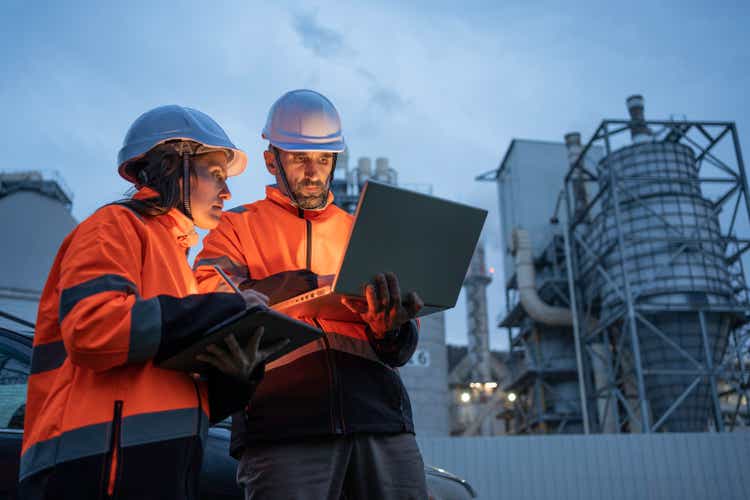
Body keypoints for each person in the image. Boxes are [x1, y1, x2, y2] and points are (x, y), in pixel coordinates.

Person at [19, 105, 284, 500]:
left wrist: (236, 375)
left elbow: (175, 387)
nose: (227, 193)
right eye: (215, 175)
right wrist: (219, 309)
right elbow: (92, 328)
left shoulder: (176, 260)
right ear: (175, 166)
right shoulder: (113, 227)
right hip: (91, 470)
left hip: (156, 471)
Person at [194, 89, 429, 499]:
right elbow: (207, 302)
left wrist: (390, 328)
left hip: (380, 422)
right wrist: (275, 288)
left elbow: (401, 349)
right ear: (272, 160)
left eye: (323, 159)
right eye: (300, 157)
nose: (313, 171)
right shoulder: (235, 228)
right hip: (283, 427)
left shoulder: (362, 230)